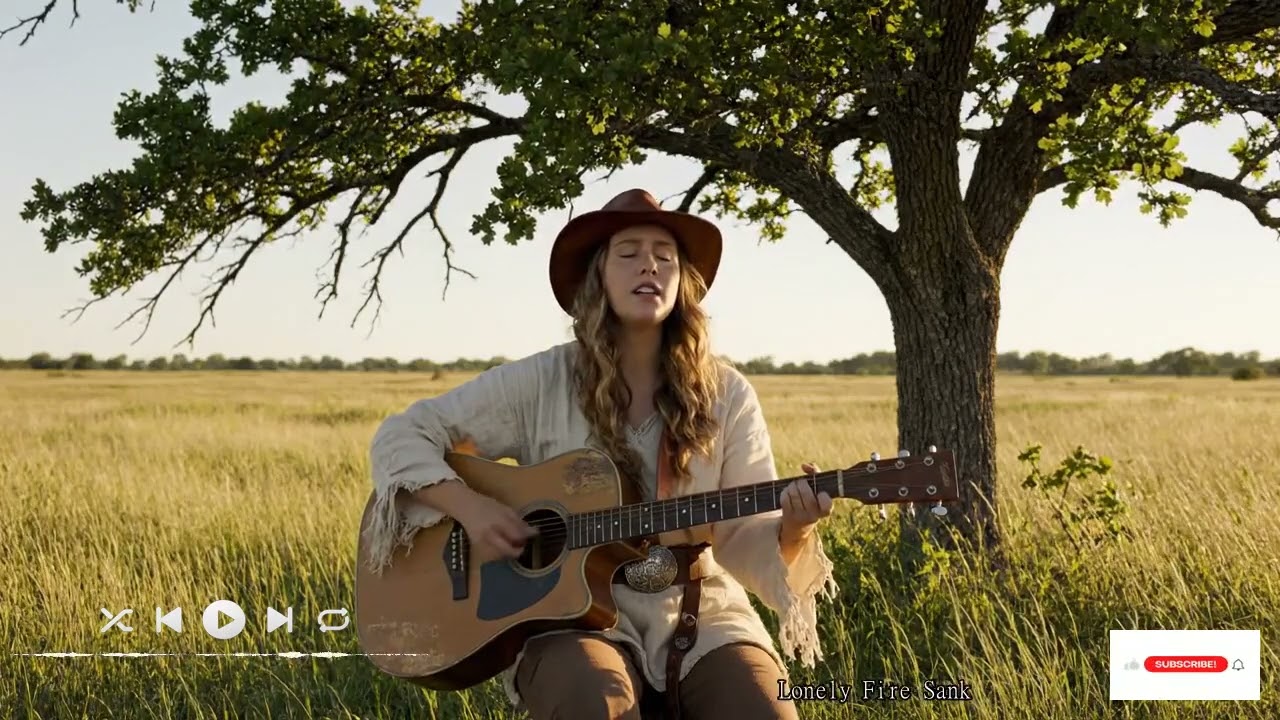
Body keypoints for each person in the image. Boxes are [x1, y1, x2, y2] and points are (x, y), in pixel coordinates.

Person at [365, 189, 839, 719]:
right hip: (566, 618)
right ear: (598, 276)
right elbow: (403, 434)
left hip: (699, 611)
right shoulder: (541, 380)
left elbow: (742, 532)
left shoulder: (726, 393)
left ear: (682, 282)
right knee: (594, 701)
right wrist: (471, 509)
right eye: (629, 253)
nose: (649, 266)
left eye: (665, 257)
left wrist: (794, 530)